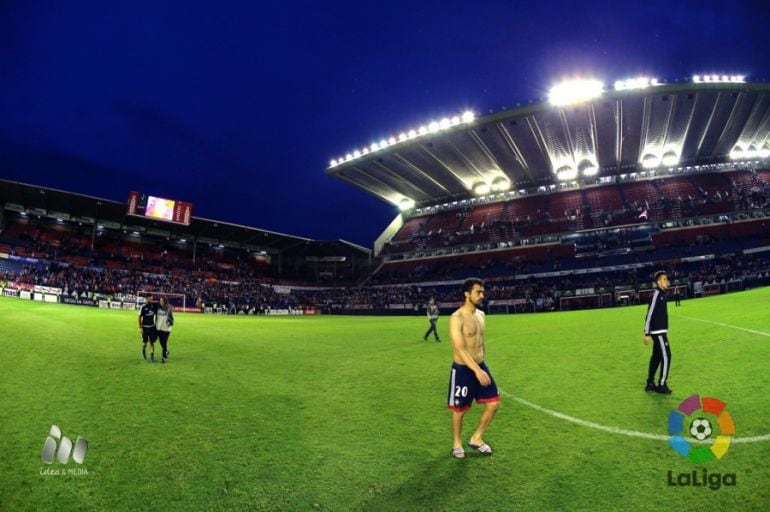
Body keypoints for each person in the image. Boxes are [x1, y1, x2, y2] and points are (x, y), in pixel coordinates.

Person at [447, 278, 500, 459]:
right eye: (478, 292)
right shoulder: (456, 318)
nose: (482, 295)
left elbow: (480, 342)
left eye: (482, 292)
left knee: (493, 404)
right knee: (459, 410)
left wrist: (481, 364)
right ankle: (456, 444)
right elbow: (459, 348)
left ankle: (476, 438)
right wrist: (476, 371)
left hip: (480, 365)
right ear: (467, 294)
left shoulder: (481, 315)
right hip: (463, 370)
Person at [644, 270, 672, 394]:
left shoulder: (662, 294)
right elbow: (649, 314)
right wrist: (646, 333)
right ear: (659, 281)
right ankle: (662, 384)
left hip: (660, 332)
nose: (667, 281)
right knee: (666, 356)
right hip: (658, 333)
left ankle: (650, 383)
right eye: (665, 279)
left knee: (656, 357)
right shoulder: (656, 294)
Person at [138, 296, 158, 362]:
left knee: (152, 343)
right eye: (150, 299)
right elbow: (139, 317)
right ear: (146, 299)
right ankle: (143, 350)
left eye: (152, 298)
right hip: (145, 328)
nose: (151, 300)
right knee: (145, 343)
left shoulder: (153, 306)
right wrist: (140, 327)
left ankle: (152, 357)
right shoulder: (143, 307)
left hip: (152, 327)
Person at [155, 296, 175, 364]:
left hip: (166, 328)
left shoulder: (169, 308)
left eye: (162, 301)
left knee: (164, 342)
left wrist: (170, 323)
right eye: (160, 301)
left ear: (165, 301)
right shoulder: (157, 307)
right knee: (161, 342)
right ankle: (166, 351)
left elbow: (172, 318)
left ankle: (164, 357)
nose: (161, 302)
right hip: (159, 327)